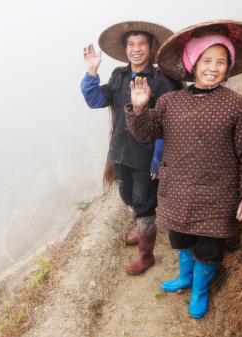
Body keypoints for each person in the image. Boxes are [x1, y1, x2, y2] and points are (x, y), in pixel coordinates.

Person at [125, 20, 242, 317]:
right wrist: (139, 109)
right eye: (207, 60)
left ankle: (200, 291)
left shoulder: (236, 104)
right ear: (192, 62)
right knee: (179, 239)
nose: (214, 67)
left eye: (221, 61)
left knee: (209, 247)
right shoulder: (169, 101)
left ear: (228, 67)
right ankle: (185, 277)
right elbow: (146, 133)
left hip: (218, 195)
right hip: (176, 190)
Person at [81, 21, 182, 275]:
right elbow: (95, 100)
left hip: (147, 155)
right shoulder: (119, 76)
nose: (136, 49)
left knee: (144, 202)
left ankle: (146, 255)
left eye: (141, 44)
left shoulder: (162, 81)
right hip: (121, 152)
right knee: (128, 197)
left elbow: (167, 125)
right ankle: (141, 231)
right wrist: (92, 73)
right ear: (125, 49)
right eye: (131, 44)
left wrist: (159, 159)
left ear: (151, 48)